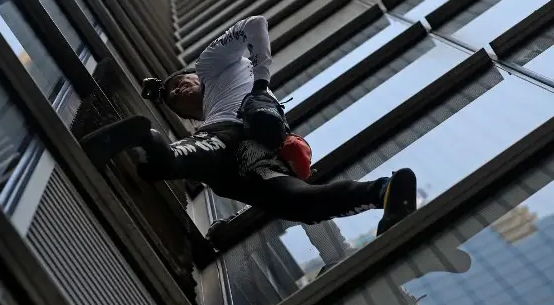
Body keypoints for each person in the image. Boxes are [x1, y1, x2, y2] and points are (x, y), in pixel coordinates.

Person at [80, 15, 417, 237]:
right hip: (252, 159)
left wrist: (261, 82)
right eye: (172, 98)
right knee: (302, 203)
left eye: (179, 83)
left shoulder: (211, 65)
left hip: (228, 138)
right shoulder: (215, 108)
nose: (176, 91)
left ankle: (142, 135)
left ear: (195, 75)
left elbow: (255, 24)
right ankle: (386, 190)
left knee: (164, 163)